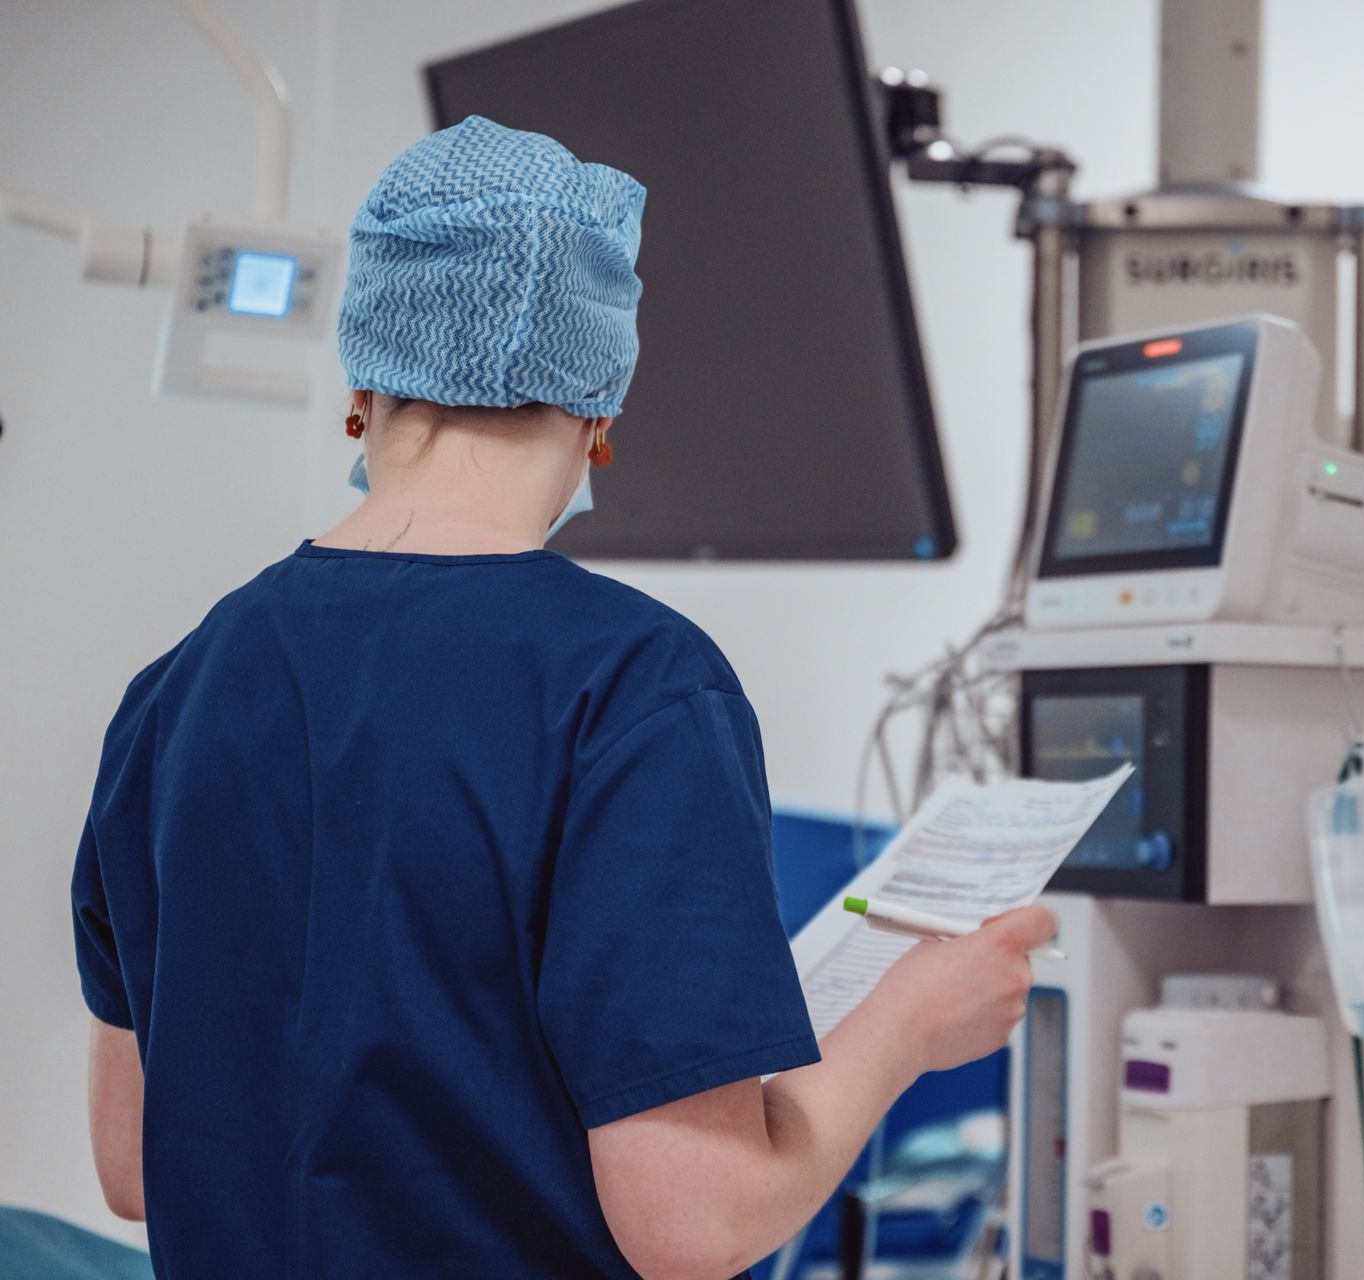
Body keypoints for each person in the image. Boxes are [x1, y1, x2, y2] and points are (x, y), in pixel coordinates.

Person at [71, 115, 1052, 1280]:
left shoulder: (175, 690)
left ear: (365, 384)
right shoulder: (634, 686)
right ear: (599, 414)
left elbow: (135, 1161)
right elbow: (693, 1221)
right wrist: (906, 1026)